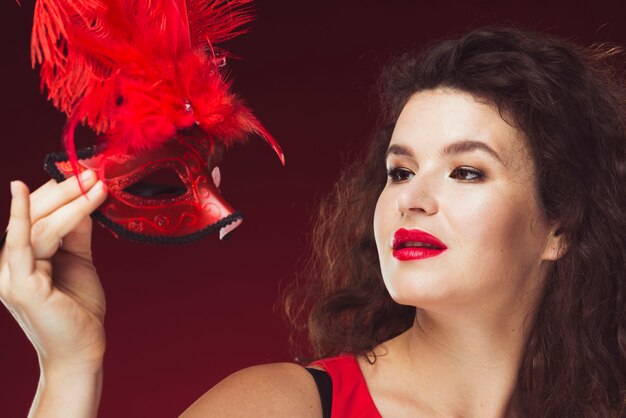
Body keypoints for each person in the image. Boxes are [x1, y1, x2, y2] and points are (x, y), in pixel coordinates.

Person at [1, 26, 625, 417]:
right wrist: (69, 369)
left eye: (466, 172)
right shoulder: (283, 407)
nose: (411, 199)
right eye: (400, 171)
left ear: (560, 226)